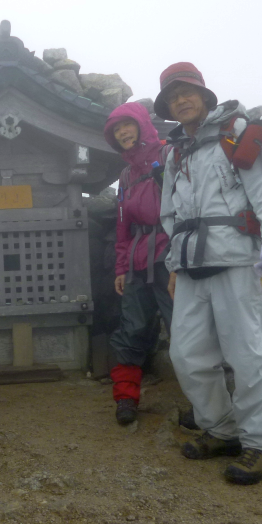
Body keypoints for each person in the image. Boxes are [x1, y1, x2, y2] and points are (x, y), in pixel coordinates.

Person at [156, 63, 262, 485]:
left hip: (235, 260)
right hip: (192, 267)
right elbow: (169, 215)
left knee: (247, 355)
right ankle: (222, 430)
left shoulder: (238, 133)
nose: (181, 99)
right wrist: (174, 263)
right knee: (187, 356)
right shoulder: (174, 152)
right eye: (173, 95)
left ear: (204, 94)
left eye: (187, 91)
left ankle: (261, 444)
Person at [105, 102, 174, 425]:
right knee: (132, 329)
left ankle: (205, 405)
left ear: (143, 124)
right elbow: (123, 225)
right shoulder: (126, 174)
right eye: (117, 131)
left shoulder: (169, 155)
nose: (122, 133)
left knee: (184, 328)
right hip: (137, 258)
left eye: (127, 126)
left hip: (171, 254)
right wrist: (121, 267)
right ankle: (126, 398)